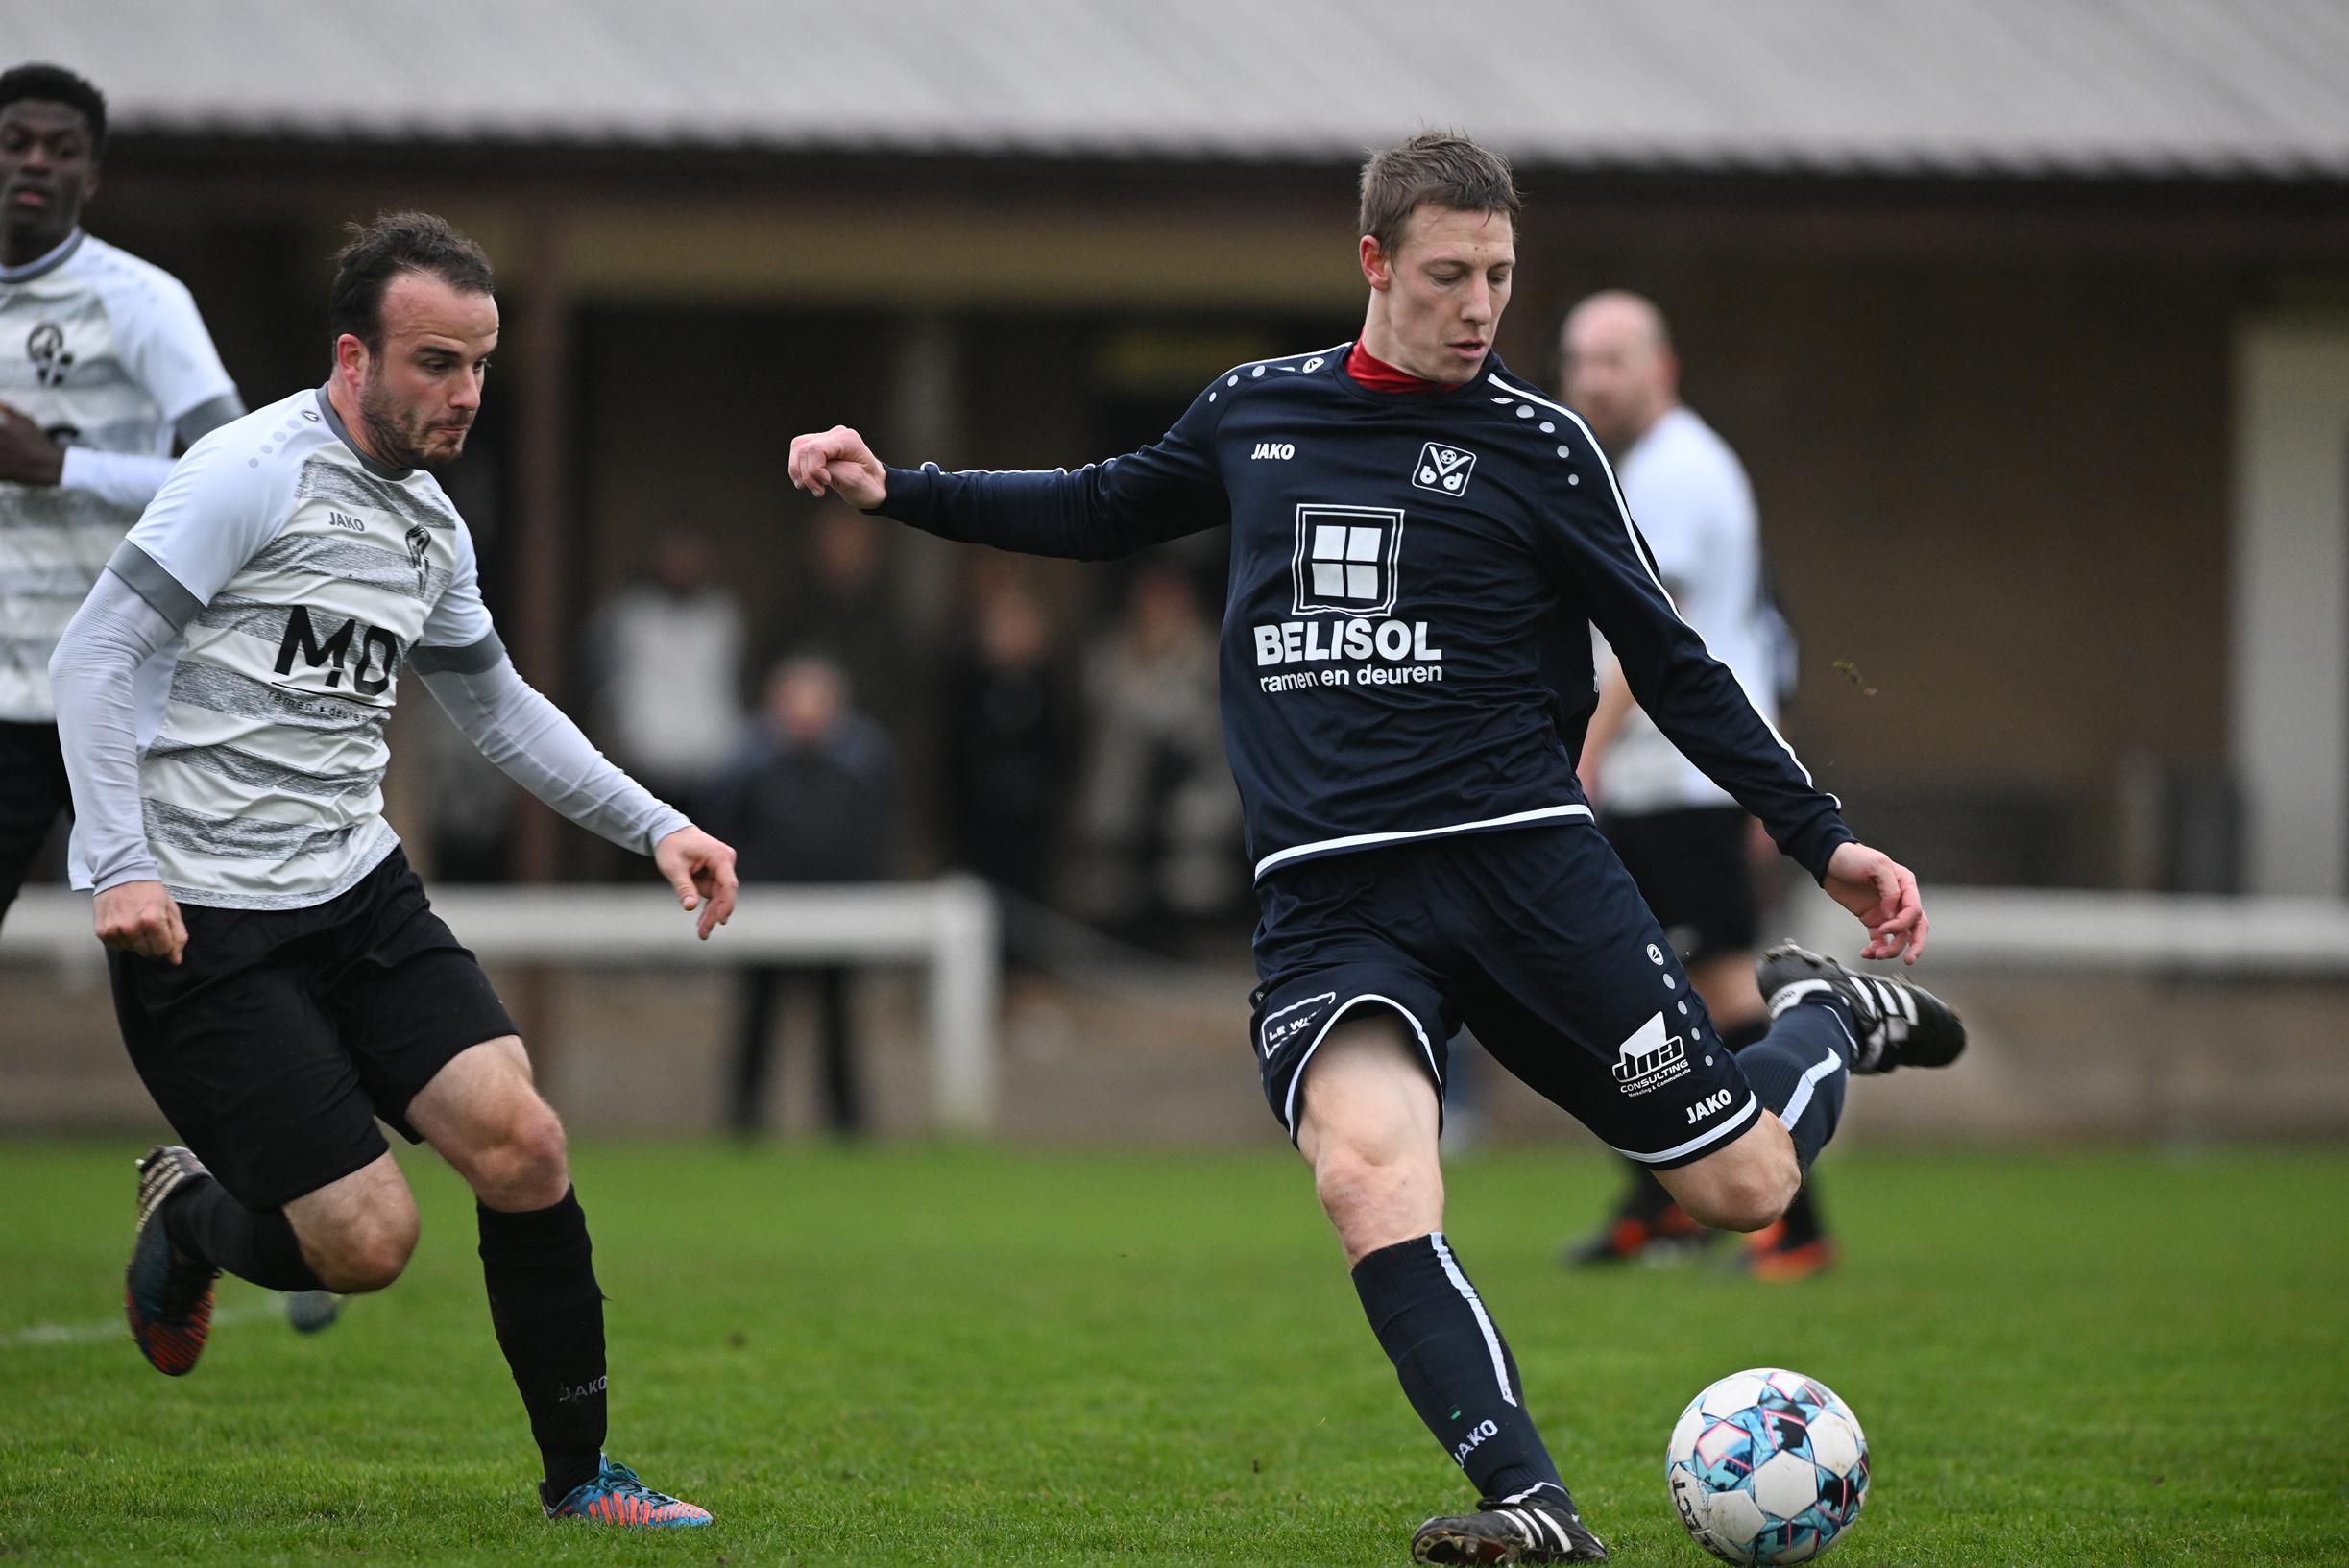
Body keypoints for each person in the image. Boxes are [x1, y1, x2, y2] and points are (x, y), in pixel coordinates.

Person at [789, 130, 1964, 1565]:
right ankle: (1530, 1503)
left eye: (1501, 277)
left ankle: (1825, 1015)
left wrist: (1820, 838)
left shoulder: (1538, 444)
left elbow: (1670, 657)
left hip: (1524, 869)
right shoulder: (1253, 414)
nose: (1479, 306)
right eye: (1449, 275)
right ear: (1373, 264)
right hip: (1331, 899)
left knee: (1740, 1192)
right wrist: (894, 488)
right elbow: (1098, 506)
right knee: (1366, 1175)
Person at [48, 212, 735, 1529]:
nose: (465, 393)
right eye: (436, 362)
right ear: (352, 358)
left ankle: (585, 1481)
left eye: (479, 364)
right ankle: (191, 1218)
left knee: (524, 1144)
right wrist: (121, 863)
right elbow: (97, 654)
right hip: (202, 919)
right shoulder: (247, 470)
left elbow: (499, 709)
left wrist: (656, 824)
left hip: (356, 895)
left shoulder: (429, 524)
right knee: (368, 1244)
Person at [1555, 291, 1835, 1280]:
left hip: (1676, 779)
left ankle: (1792, 1219)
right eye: (1581, 360)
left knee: (1708, 987)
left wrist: (1578, 755)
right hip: (1660, 781)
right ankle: (1664, 1203)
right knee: (1647, 993)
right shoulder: (1654, 464)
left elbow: (1652, 633)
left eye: (1614, 359)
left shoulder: (1675, 468)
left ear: (1661, 367)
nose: (1593, 378)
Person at [0, 63, 244, 931]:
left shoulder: (140, 301)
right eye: (16, 142)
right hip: (2, 696)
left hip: (112, 680)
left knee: (173, 935)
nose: (34, 162)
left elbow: (238, 475)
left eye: (60, 150)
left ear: (89, 177)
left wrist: (64, 467)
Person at [714, 654, 902, 1137]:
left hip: (838, 911)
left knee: (839, 1019)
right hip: (765, 912)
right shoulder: (749, 766)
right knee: (757, 1016)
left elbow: (874, 837)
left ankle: (846, 1122)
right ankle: (743, 1118)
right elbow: (727, 830)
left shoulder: (860, 766)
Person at [584, 531, 745, 825]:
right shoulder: (629, 613)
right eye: (675, 554)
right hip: (642, 759)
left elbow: (735, 682)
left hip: (709, 761)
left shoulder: (722, 614)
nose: (683, 564)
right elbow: (601, 681)